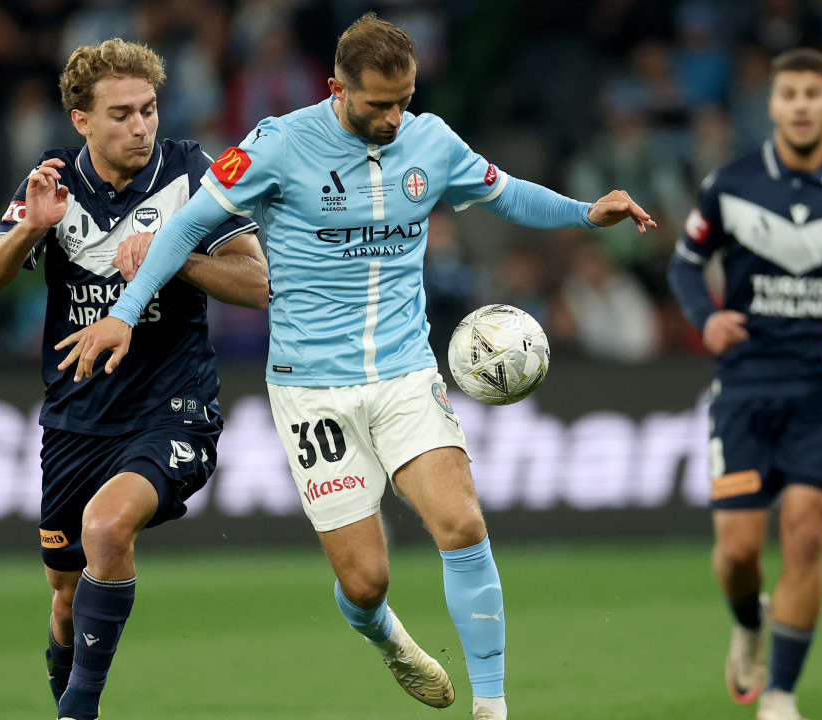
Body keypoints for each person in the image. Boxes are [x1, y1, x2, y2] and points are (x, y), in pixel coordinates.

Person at [56, 14, 654, 720]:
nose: (396, 118)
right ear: (338, 89)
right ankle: (390, 639)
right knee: (366, 583)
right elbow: (187, 224)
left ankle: (492, 709)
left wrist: (588, 213)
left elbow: (507, 191)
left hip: (404, 373)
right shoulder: (279, 144)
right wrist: (124, 312)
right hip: (311, 391)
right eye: (379, 104)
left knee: (460, 523)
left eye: (405, 99)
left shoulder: (430, 140)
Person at [0, 39, 267, 720]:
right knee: (64, 597)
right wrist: (26, 233)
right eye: (122, 114)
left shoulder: (195, 174)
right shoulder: (52, 182)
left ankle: (80, 713)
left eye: (149, 110)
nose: (140, 126)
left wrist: (176, 256)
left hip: (172, 408)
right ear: (81, 121)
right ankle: (67, 688)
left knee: (106, 528)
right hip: (76, 418)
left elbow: (257, 283)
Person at [667, 48, 822, 720]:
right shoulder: (729, 184)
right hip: (746, 388)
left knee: (809, 534)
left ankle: (781, 694)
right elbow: (684, 265)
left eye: (813, 92)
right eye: (789, 93)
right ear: (774, 104)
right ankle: (749, 622)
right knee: (735, 555)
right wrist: (708, 317)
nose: (801, 104)